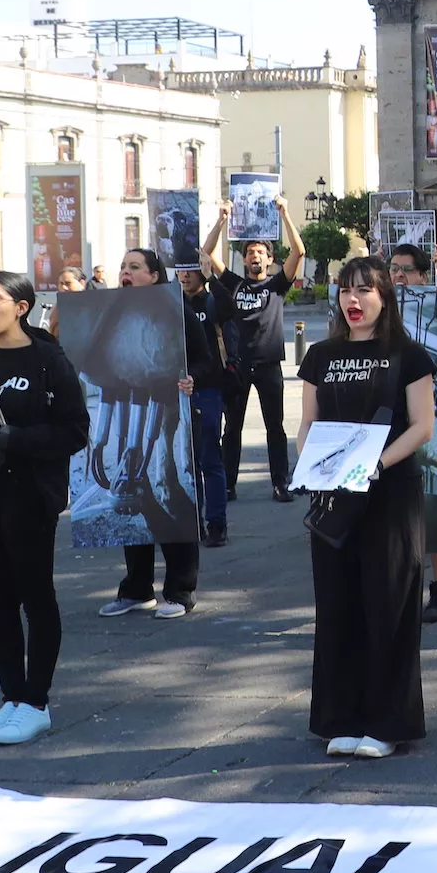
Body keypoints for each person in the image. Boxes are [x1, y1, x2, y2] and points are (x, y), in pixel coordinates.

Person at [297, 256, 437, 759]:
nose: (353, 301)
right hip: (335, 495)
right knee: (338, 605)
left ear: (385, 296)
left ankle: (386, 722)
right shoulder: (320, 355)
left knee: (388, 604)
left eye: (365, 291)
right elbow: (307, 425)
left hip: (390, 496)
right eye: (345, 291)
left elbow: (423, 426)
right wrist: (313, 464)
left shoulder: (408, 354)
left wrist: (377, 464)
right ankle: (341, 717)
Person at [0, 272, 89, 746]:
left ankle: (36, 702)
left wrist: (16, 441)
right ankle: (11, 698)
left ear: (21, 306)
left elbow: (74, 431)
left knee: (34, 595)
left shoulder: (48, 358)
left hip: (29, 495)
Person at [97, 248, 208, 618]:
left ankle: (180, 589)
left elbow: (208, 363)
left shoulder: (179, 312)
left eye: (134, 267)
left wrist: (194, 380)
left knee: (164, 482)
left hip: (167, 406)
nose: (125, 273)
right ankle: (136, 588)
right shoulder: (113, 310)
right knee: (133, 487)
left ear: (154, 276)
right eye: (122, 267)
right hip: (128, 404)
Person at [202, 195, 305, 502]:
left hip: (269, 365)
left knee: (276, 427)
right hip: (237, 367)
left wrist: (285, 213)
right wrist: (221, 219)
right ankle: (228, 485)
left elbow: (299, 251)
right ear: (244, 260)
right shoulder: (234, 283)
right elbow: (207, 253)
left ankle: (280, 484)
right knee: (231, 428)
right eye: (250, 253)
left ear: (269, 260)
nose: (255, 256)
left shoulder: (277, 285)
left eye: (260, 252)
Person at [388, 241, 437, 622]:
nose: (398, 276)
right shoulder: (381, 310)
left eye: (406, 269)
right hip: (389, 417)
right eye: (393, 269)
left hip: (434, 416)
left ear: (421, 275)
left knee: (436, 504)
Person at [179, 257, 235, 547]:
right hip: (176, 393)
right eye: (181, 270)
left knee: (210, 460)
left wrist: (211, 274)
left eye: (190, 270)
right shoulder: (172, 304)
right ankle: (193, 523)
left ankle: (217, 524)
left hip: (209, 389)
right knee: (186, 462)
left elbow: (230, 308)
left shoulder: (212, 301)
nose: (185, 276)